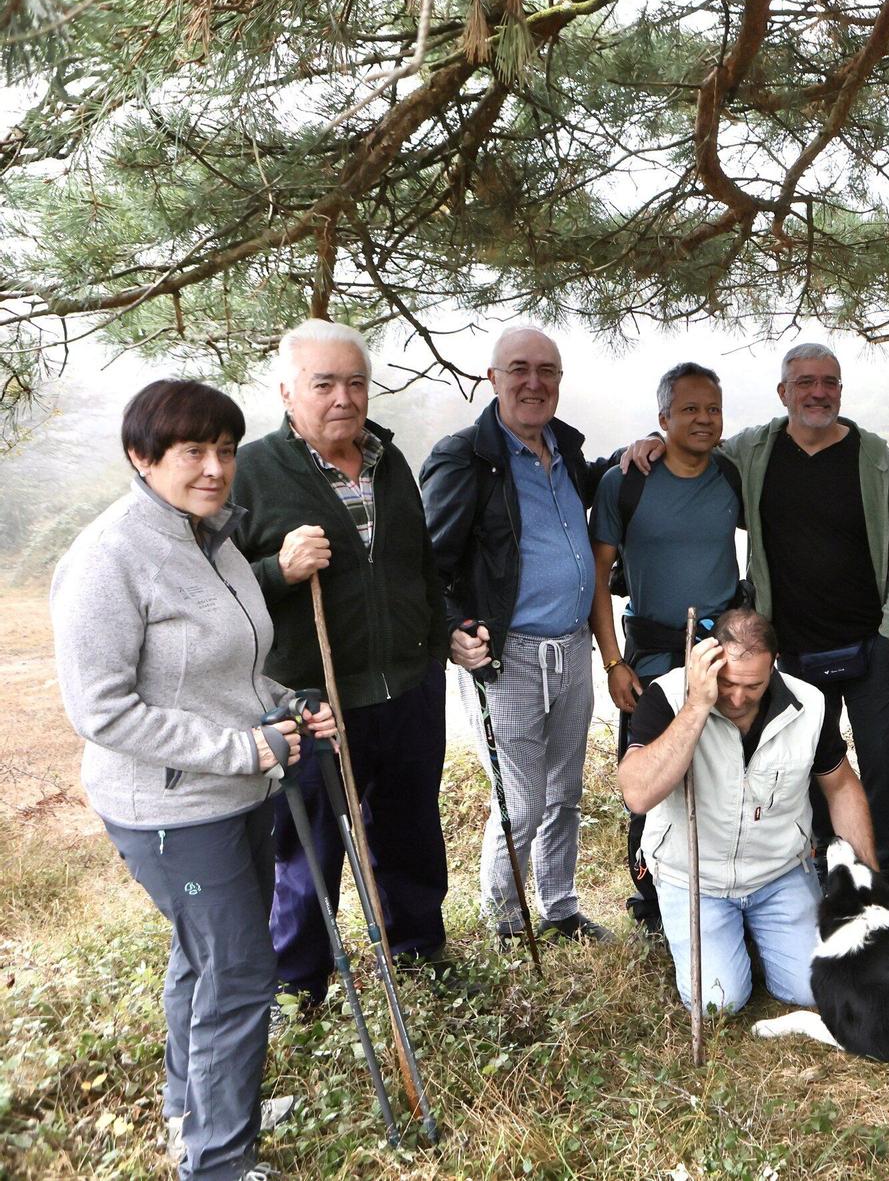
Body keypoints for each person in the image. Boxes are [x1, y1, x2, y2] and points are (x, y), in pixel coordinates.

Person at [52, 379, 335, 1181]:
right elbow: (102, 710)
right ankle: (216, 1160)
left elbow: (228, 669)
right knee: (243, 971)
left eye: (223, 450)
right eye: (191, 452)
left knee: (202, 957)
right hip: (171, 807)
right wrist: (246, 747)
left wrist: (287, 708)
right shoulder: (110, 557)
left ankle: (195, 1107)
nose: (214, 467)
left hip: (236, 787)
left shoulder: (211, 537)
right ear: (141, 458)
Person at [230, 320, 453, 1007]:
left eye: (355, 382)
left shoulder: (389, 460)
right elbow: (218, 589)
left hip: (409, 687)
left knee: (411, 826)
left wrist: (445, 641)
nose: (343, 398)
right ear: (287, 391)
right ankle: (302, 978)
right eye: (323, 383)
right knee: (309, 844)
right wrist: (278, 569)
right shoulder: (252, 471)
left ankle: (418, 949)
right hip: (314, 697)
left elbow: (418, 567)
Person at [423, 327, 612, 943]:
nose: (534, 383)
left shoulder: (568, 450)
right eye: (519, 369)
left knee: (565, 792)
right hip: (508, 657)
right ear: (493, 378)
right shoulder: (465, 458)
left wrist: (636, 452)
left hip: (572, 648)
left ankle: (558, 908)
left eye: (547, 371)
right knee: (522, 801)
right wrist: (451, 629)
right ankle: (506, 923)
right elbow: (428, 563)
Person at [618, 610, 882, 1012]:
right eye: (727, 683)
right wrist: (697, 706)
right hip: (694, 878)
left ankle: (758, 939)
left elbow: (842, 787)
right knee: (718, 1004)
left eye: (753, 686)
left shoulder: (808, 704)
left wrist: (868, 879)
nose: (738, 698)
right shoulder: (669, 696)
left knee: (815, 989)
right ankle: (733, 945)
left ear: (773, 668)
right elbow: (637, 794)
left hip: (778, 872)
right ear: (711, 661)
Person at [725, 344, 889, 877]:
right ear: (783, 392)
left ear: (840, 390)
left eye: (829, 382)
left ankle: (883, 877)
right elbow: (694, 452)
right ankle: (821, 874)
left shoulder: (873, 456)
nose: (818, 392)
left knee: (881, 765)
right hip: (790, 651)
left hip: (870, 646)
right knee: (803, 767)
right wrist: (650, 442)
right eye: (805, 382)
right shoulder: (755, 450)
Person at [589, 362, 745, 936]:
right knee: (650, 765)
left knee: (725, 764)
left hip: (723, 646)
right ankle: (651, 893)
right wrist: (613, 662)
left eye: (713, 410)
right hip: (652, 651)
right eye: (689, 410)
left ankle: (726, 880)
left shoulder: (730, 476)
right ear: (663, 419)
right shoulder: (624, 482)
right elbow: (598, 578)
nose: (703, 420)